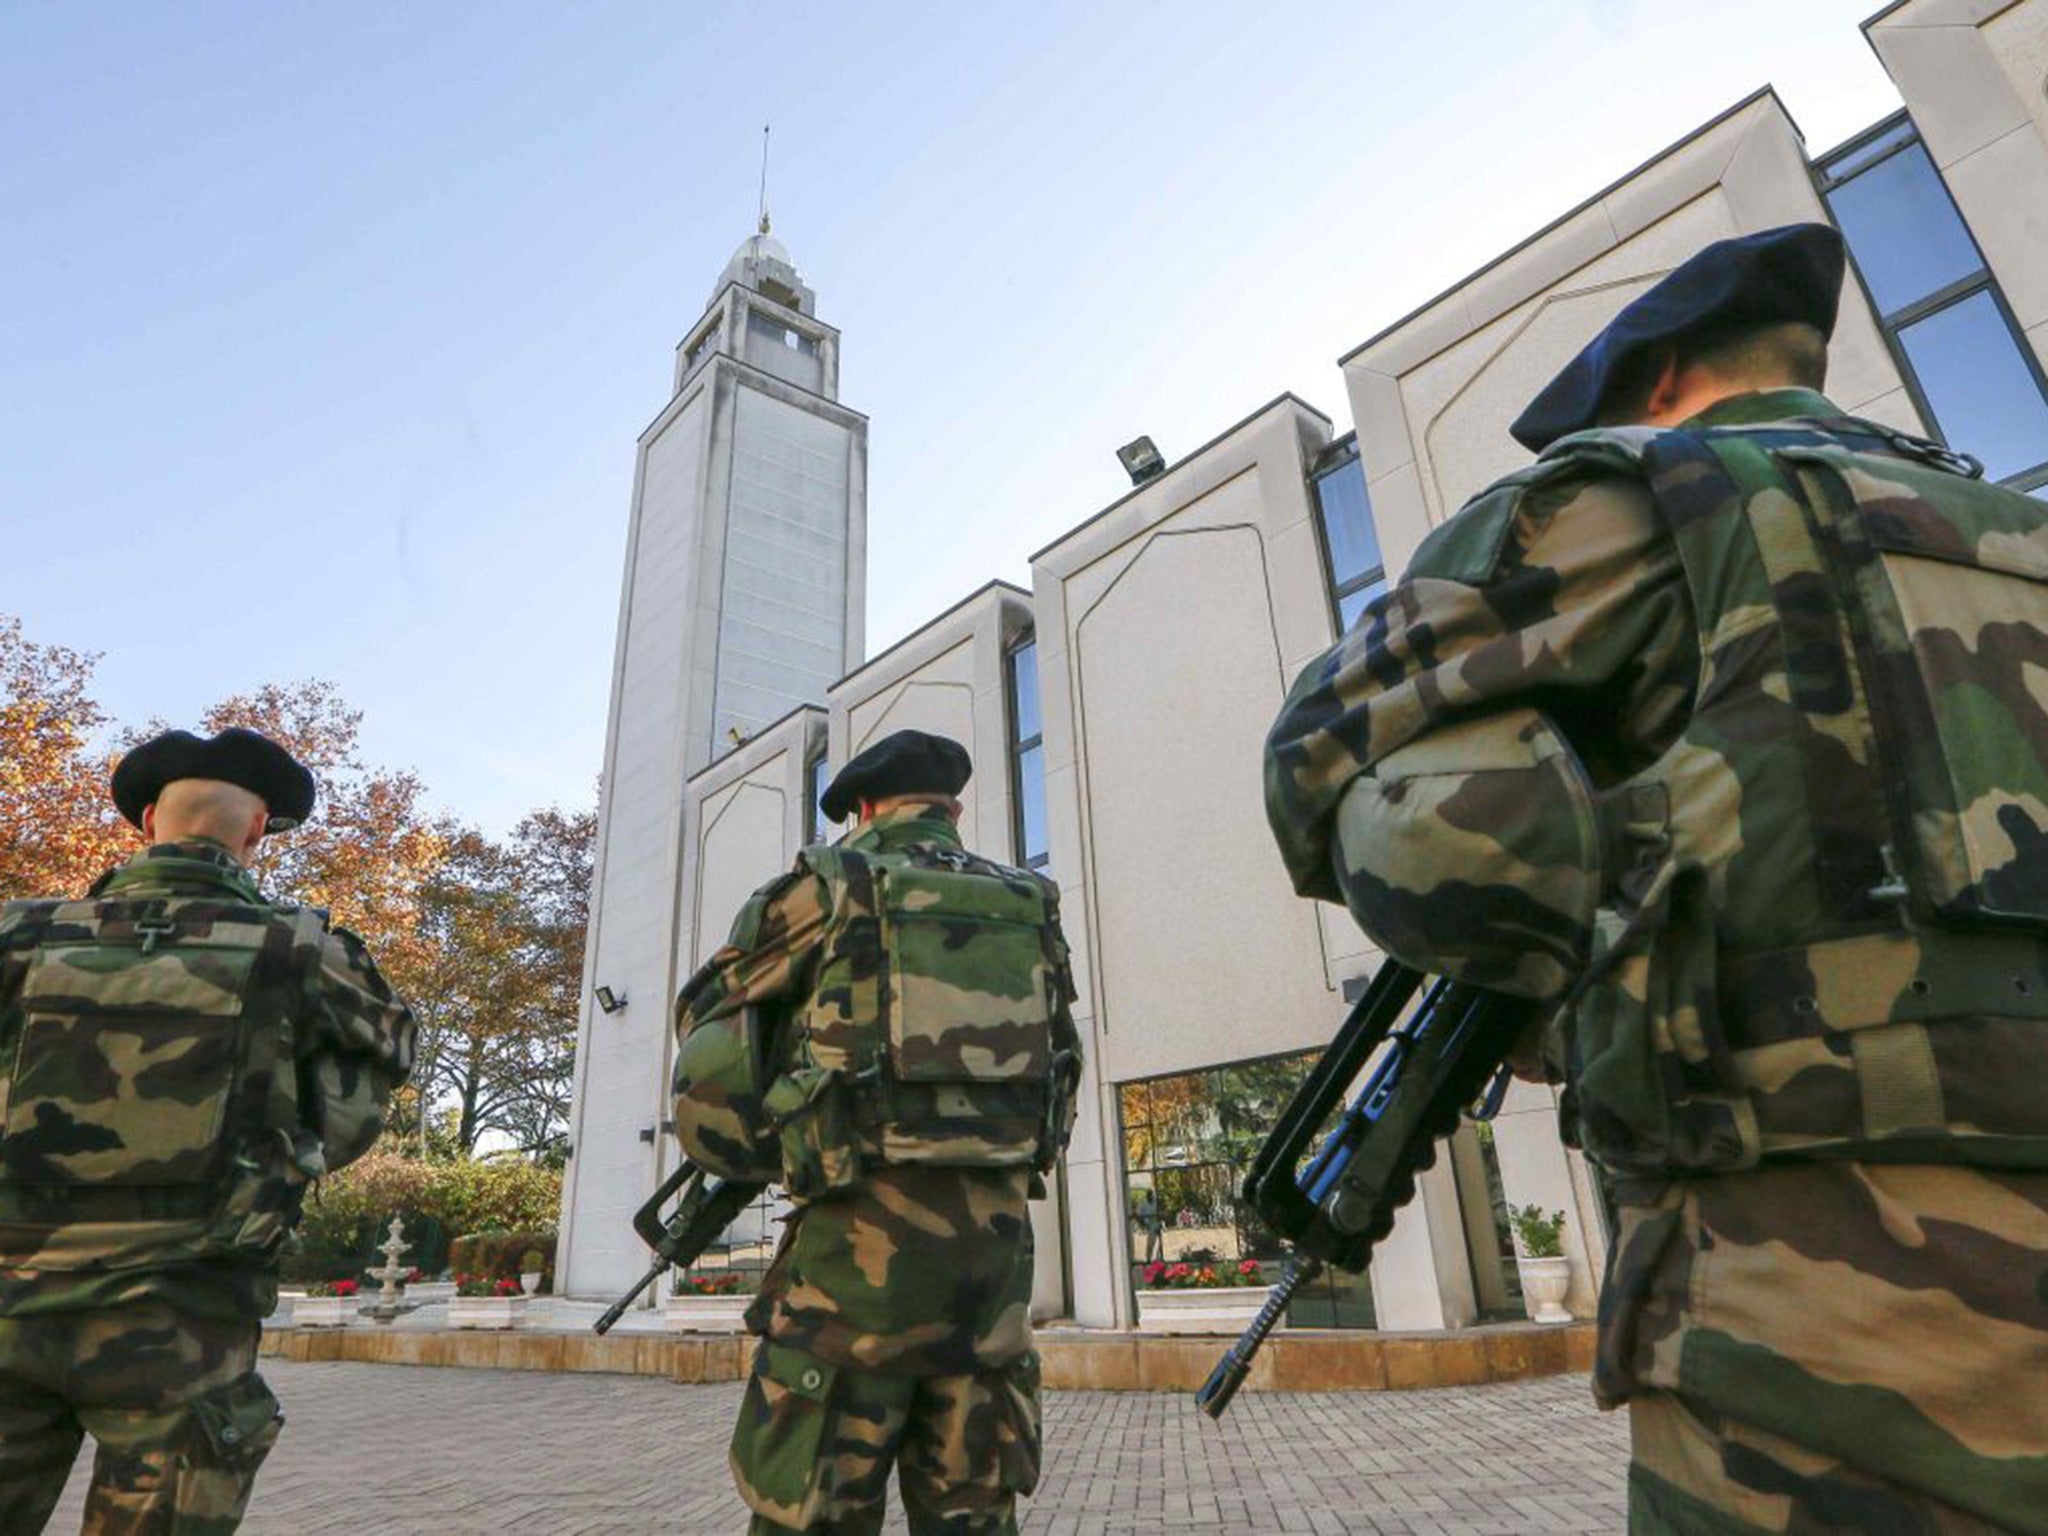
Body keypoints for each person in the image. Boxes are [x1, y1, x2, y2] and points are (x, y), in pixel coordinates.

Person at [1264, 223, 2048, 1532]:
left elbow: (1319, 753)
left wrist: (1576, 953)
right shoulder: (2019, 528)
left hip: (1815, 1297)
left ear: (1665, 380)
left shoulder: (1644, 497)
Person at [0, 726, 417, 1534]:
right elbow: (377, 1075)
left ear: (149, 819)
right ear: (259, 830)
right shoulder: (301, 948)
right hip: (186, 1320)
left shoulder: (19, 934)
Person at [673, 728, 1081, 1535]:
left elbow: (706, 1014)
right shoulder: (1031, 901)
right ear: (953, 808)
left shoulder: (827, 887)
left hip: (847, 1289)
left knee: (811, 1520)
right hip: (990, 1295)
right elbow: (1062, 1063)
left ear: (861, 808)